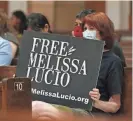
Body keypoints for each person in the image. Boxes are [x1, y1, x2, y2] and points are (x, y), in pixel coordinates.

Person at [32, 12, 124, 119]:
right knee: (35, 108)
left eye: (91, 29)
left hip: (92, 114)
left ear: (103, 32)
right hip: (69, 106)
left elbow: (115, 106)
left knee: (37, 108)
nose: (86, 32)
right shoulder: (79, 57)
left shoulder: (113, 61)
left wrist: (95, 102)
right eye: (85, 29)